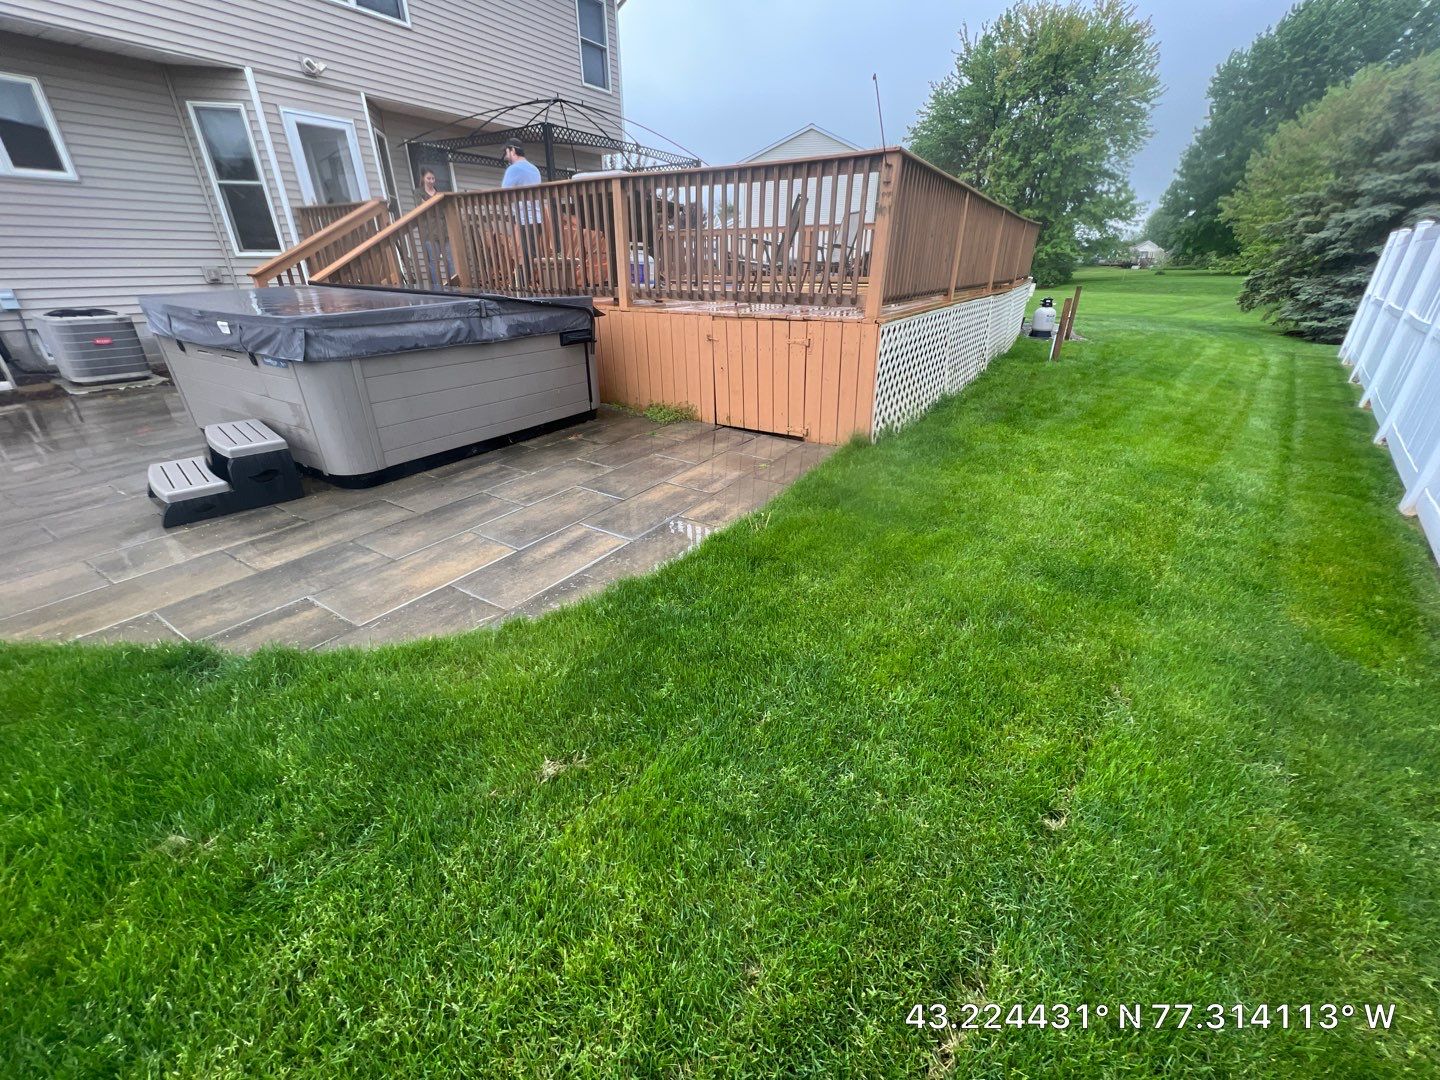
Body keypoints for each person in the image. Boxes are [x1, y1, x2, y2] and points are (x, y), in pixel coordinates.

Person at [502, 140, 544, 285]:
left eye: (506, 152)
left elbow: (503, 192)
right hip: (537, 217)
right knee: (531, 252)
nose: (506, 155)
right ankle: (528, 282)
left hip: (524, 218)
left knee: (523, 253)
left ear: (512, 150)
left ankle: (522, 284)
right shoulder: (534, 169)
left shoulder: (513, 169)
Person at [416, 168, 454, 286]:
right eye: (428, 178)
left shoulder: (439, 193)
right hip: (429, 232)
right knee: (434, 260)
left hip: (444, 231)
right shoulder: (419, 193)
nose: (431, 181)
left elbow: (444, 208)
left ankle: (454, 283)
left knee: (449, 259)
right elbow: (423, 207)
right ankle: (437, 287)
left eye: (433, 178)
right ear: (423, 178)